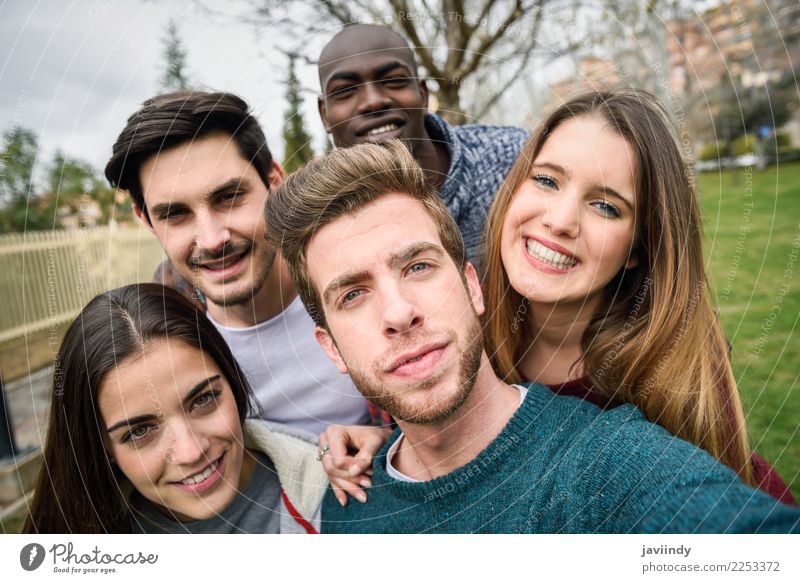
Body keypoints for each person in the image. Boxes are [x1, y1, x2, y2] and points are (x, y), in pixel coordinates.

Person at [264, 139, 800, 533]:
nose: (398, 312)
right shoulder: (345, 508)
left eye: (419, 267)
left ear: (472, 286)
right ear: (330, 347)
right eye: (352, 295)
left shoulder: (604, 466)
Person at [481, 89, 793, 503]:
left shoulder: (671, 366)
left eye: (606, 207)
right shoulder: (460, 329)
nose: (559, 221)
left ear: (638, 250)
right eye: (546, 180)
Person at [104, 92, 372, 434]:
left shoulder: (366, 278)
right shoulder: (158, 340)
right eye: (175, 214)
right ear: (148, 223)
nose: (213, 239)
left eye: (229, 198)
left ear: (274, 183)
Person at [23, 284, 327, 534]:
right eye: (140, 431)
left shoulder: (339, 492)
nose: (191, 451)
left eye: (203, 400)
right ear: (102, 449)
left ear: (231, 381)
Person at [317, 23, 529, 264]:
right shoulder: (322, 229)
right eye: (346, 90)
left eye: (393, 80)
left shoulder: (516, 160)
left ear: (423, 94)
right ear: (325, 114)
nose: (373, 102)